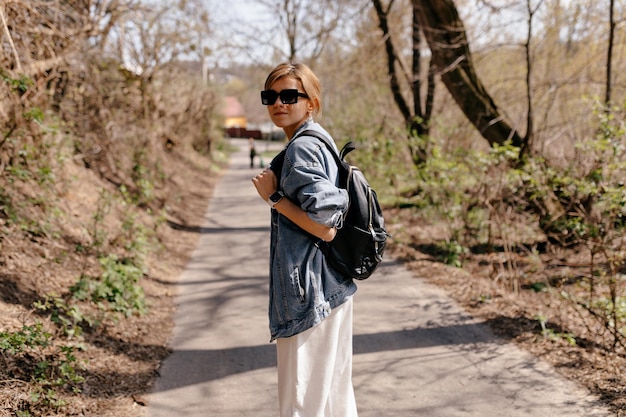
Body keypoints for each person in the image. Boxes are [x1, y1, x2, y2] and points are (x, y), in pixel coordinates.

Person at [251, 62, 358, 417]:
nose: (278, 103)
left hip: (309, 295)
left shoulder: (302, 150)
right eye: (271, 96)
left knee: (302, 405)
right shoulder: (319, 140)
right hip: (330, 288)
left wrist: (274, 198)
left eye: (289, 96)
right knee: (333, 402)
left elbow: (325, 225)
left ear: (310, 102)